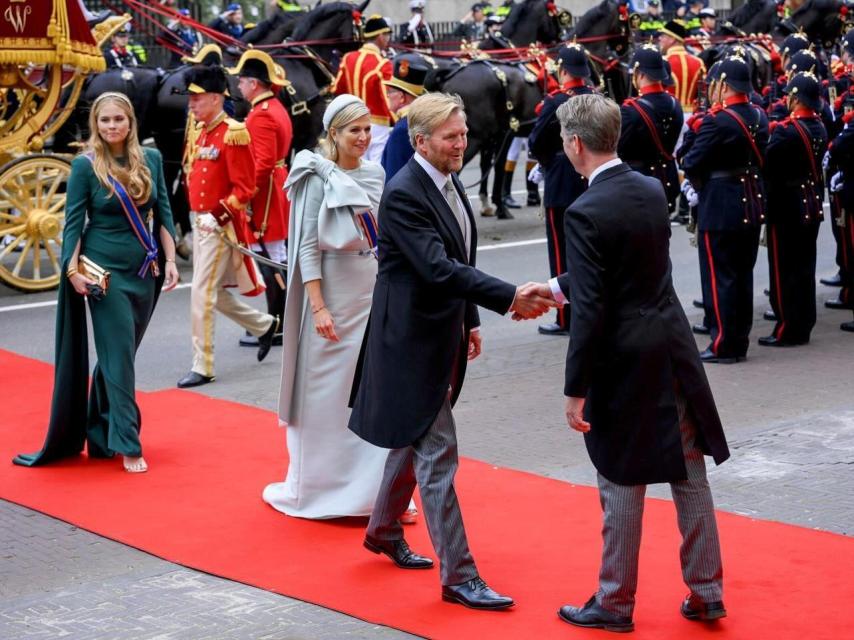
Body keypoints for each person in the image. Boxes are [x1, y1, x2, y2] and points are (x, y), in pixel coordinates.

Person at [348, 92, 557, 610]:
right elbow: (438, 268)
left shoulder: (447, 179)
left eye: (463, 134)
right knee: (438, 452)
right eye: (450, 137)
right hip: (408, 341)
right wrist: (510, 296)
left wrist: (469, 319)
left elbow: (459, 256)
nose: (461, 143)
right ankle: (460, 577)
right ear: (421, 141)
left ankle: (382, 530)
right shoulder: (404, 192)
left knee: (415, 434)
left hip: (441, 332)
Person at [540, 92, 729, 634]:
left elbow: (595, 306)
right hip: (670, 347)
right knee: (690, 474)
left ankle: (615, 601)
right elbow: (631, 269)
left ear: (576, 144)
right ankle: (707, 591)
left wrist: (574, 387)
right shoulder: (648, 188)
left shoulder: (584, 210)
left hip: (624, 359)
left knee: (621, 477)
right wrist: (555, 287)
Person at [13, 92, 179, 473]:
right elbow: (72, 225)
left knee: (117, 355)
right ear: (96, 125)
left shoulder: (150, 159)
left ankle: (100, 434)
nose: (112, 126)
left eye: (118, 119)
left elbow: (164, 214)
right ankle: (128, 442)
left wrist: (170, 260)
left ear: (130, 122)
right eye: (105, 121)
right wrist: (71, 272)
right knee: (119, 357)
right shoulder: (84, 168)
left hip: (145, 273)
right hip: (103, 275)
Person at [264, 94, 393, 519]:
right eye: (352, 129)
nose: (361, 137)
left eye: (366, 128)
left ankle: (367, 492)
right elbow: (305, 249)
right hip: (332, 294)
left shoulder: (376, 173)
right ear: (332, 134)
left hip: (370, 291)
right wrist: (318, 307)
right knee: (325, 394)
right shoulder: (316, 177)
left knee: (370, 392)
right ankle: (318, 489)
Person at [175, 65, 278, 389]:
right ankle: (263, 326)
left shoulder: (233, 132)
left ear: (217, 98)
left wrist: (218, 216)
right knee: (215, 295)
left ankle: (202, 364)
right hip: (202, 222)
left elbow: (244, 188)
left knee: (201, 293)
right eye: (190, 99)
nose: (191, 105)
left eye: (197, 98)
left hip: (218, 226)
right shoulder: (204, 131)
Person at [681, 56, 769, 363]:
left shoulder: (718, 120)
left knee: (720, 278)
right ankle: (738, 339)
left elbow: (690, 161)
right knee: (743, 275)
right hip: (750, 200)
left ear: (723, 85)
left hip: (720, 204)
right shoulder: (759, 115)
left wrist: (693, 131)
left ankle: (723, 344)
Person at [528, 44, 594, 336]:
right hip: (591, 179)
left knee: (561, 253)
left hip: (562, 181)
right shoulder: (597, 99)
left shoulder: (556, 102)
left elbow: (537, 141)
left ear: (564, 71)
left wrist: (546, 162)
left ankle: (566, 317)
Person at [229, 50, 293, 348]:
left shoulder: (261, 115)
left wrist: (244, 195)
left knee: (269, 259)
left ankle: (276, 323)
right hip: (273, 187)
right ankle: (278, 320)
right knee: (274, 257)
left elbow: (262, 163)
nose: (239, 86)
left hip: (264, 193)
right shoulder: (271, 107)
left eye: (242, 81)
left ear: (254, 83)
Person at [762, 72, 827, 347]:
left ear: (795, 98)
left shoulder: (787, 131)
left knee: (783, 270)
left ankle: (787, 327)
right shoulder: (819, 127)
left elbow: (767, 163)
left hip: (786, 206)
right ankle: (804, 323)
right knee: (804, 267)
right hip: (809, 203)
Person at [620, 45, 684, 212]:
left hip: (637, 182)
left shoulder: (630, 111)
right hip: (666, 180)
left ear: (639, 74)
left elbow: (618, 149)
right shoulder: (674, 104)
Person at [332, 15, 394, 162]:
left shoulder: (348, 58)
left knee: (356, 167)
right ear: (379, 36)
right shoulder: (383, 63)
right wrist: (396, 119)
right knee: (376, 168)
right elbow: (387, 98)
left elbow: (337, 89)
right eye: (386, 35)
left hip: (351, 123)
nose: (387, 40)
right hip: (377, 125)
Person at [381, 54, 429, 182]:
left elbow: (394, 179)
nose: (388, 95)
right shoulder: (424, 121)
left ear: (402, 97)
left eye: (390, 91)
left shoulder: (402, 130)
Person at [659, 20, 705, 115]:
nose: (660, 39)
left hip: (669, 115)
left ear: (672, 39)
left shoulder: (663, 61)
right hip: (692, 116)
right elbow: (703, 92)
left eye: (663, 36)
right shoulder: (698, 62)